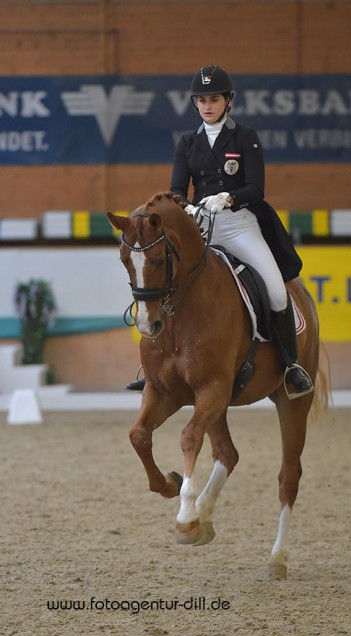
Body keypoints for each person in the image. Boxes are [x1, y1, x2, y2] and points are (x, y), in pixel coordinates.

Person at [127, 65, 313, 399]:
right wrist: (188, 207)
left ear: (228, 101)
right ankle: (154, 368)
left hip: (241, 226)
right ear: (195, 104)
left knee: (276, 290)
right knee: (166, 284)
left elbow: (256, 189)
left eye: (214, 99)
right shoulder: (187, 143)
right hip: (201, 230)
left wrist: (228, 197)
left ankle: (291, 366)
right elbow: (175, 191)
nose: (207, 105)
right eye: (202, 100)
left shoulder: (245, 138)